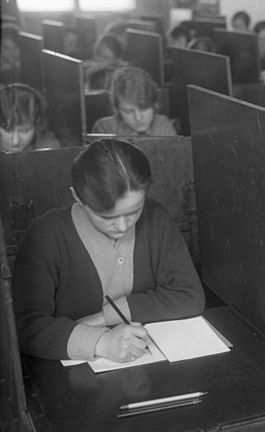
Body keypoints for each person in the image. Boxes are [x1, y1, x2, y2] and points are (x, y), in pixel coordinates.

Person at [13, 139, 205, 361]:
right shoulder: (47, 234)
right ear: (77, 196)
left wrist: (103, 318)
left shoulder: (155, 217)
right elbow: (23, 325)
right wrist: (100, 342)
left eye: (134, 211)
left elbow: (189, 295)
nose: (123, 226)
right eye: (107, 217)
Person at [92, 66, 176, 136]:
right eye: (128, 111)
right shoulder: (106, 128)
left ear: (154, 105)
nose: (138, 118)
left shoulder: (163, 125)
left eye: (144, 109)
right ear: (118, 109)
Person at [0, 84, 60, 152]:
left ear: (37, 126)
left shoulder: (47, 147)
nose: (15, 142)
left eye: (25, 131)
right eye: (8, 131)